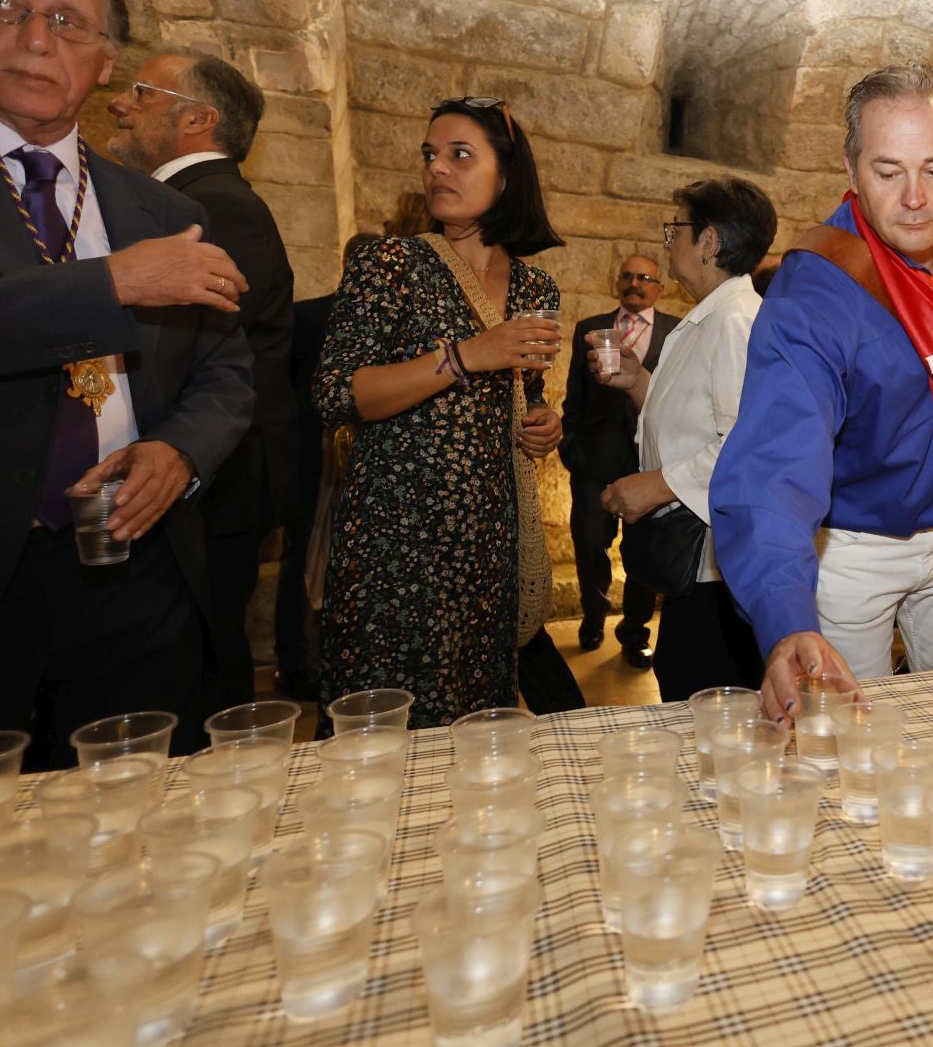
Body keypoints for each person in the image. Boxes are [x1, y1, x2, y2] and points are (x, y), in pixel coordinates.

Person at [0, 0, 255, 766]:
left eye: (67, 22)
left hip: (135, 567)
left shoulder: (159, 208)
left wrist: (179, 452)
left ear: (103, 63)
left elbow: (227, 368)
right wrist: (107, 287)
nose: (35, 39)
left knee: (134, 816)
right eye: (2, 5)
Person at [711, 64, 933, 720]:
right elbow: (774, 463)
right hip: (855, 550)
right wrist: (786, 619)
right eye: (888, 173)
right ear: (851, 168)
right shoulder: (814, 294)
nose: (916, 198)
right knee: (851, 742)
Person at [314, 96, 582, 728]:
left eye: (461, 155)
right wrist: (465, 356)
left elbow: (524, 390)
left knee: (476, 724)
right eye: (430, 155)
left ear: (507, 176)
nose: (438, 168)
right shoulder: (391, 265)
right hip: (395, 539)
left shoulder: (535, 288)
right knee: (386, 729)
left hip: (488, 541)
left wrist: (541, 423)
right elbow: (338, 393)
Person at [107, 51, 301, 713]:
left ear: (199, 119)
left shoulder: (215, 205)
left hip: (217, 474)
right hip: (206, 474)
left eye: (141, 91)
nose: (119, 103)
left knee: (201, 659)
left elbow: (211, 356)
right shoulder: (190, 200)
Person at [586, 178, 778, 701]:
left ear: (709, 242)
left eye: (676, 231)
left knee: (707, 698)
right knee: (685, 685)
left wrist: (657, 485)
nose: (669, 242)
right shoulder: (710, 314)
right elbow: (695, 416)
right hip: (696, 562)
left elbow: (748, 442)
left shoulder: (735, 321)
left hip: (717, 566)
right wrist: (638, 382)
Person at [272, 230, 381, 701]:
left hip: (369, 459)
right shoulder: (307, 318)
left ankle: (333, 660)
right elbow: (282, 390)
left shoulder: (390, 324)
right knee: (302, 554)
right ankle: (296, 662)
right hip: (312, 459)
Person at [560, 255, 676, 667]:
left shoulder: (677, 331)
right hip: (593, 460)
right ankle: (593, 616)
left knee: (643, 549)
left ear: (660, 287)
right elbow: (575, 394)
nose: (635, 283)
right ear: (617, 282)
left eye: (645, 277)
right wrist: (570, 446)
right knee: (590, 543)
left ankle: (635, 632)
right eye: (627, 275)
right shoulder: (589, 329)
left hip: (648, 461)